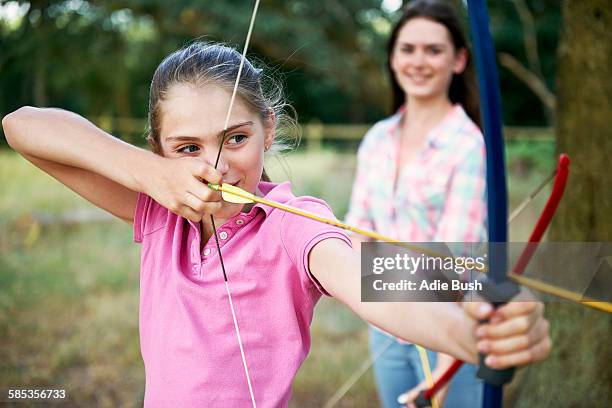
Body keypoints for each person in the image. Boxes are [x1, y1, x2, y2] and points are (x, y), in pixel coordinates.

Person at [2, 41, 550, 407]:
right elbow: (21, 125)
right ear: (159, 149)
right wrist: (152, 175)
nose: (215, 168)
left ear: (268, 127)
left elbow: (365, 279)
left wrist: (471, 333)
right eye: (187, 146)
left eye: (235, 138)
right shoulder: (160, 209)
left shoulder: (291, 224)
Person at [346, 1, 493, 407]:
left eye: (434, 50)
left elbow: (452, 261)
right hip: (386, 328)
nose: (419, 61)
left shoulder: (468, 146)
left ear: (459, 60)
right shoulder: (378, 138)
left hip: (448, 330)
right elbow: (354, 233)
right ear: (393, 58)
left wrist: (445, 363)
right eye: (408, 49)